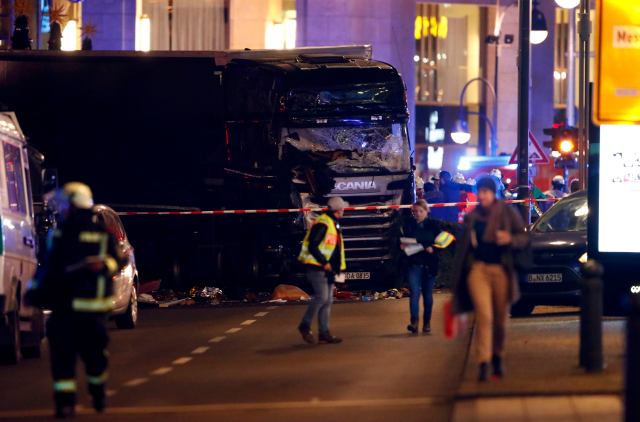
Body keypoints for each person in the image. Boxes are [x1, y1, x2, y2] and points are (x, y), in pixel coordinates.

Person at [25, 183, 125, 418]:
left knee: (92, 358)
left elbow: (118, 261)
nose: (62, 209)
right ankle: (65, 404)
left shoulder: (102, 234)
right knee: (63, 359)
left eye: (65, 205)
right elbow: (51, 269)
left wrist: (102, 266)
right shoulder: (61, 234)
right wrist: (36, 292)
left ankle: (96, 390)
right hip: (67, 309)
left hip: (90, 309)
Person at [452, 176, 529, 382]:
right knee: (484, 316)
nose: (483, 195)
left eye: (487, 191)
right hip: (478, 270)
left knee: (500, 320)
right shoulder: (473, 217)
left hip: (501, 270)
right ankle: (483, 362)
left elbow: (523, 238)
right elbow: (463, 248)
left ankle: (497, 356)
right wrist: (458, 277)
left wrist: (510, 239)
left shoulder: (507, 212)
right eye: (481, 191)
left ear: (494, 193)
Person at [401, 200, 457, 334]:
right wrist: (425, 244)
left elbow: (443, 241)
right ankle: (414, 322)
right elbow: (403, 244)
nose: (418, 214)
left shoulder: (434, 225)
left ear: (427, 211)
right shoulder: (409, 225)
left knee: (427, 295)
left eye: (421, 211)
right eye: (415, 212)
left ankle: (427, 323)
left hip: (430, 264)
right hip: (414, 263)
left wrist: (426, 246)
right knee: (414, 293)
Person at [297, 196, 347, 344]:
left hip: (329, 269)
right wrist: (324, 262)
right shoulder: (324, 223)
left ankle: (324, 332)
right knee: (322, 297)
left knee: (328, 300)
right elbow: (313, 245)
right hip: (317, 267)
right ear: (339, 210)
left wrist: (339, 270)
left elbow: (335, 250)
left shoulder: (332, 223)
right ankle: (304, 326)